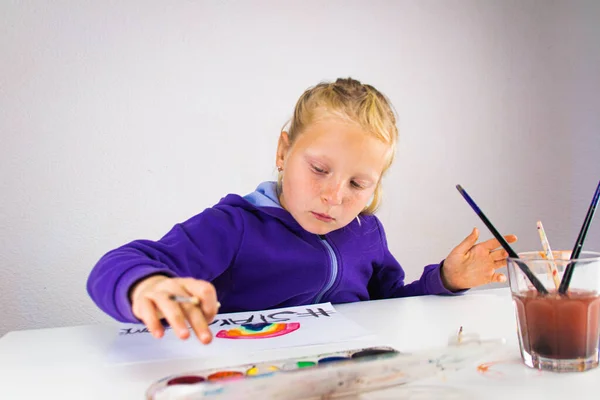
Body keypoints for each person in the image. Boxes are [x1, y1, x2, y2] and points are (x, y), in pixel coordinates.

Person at [87, 78, 515, 345]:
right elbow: (119, 264)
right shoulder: (235, 225)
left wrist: (445, 278)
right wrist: (146, 288)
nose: (334, 196)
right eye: (320, 170)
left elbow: (389, 306)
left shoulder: (367, 235)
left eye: (357, 184)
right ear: (283, 150)